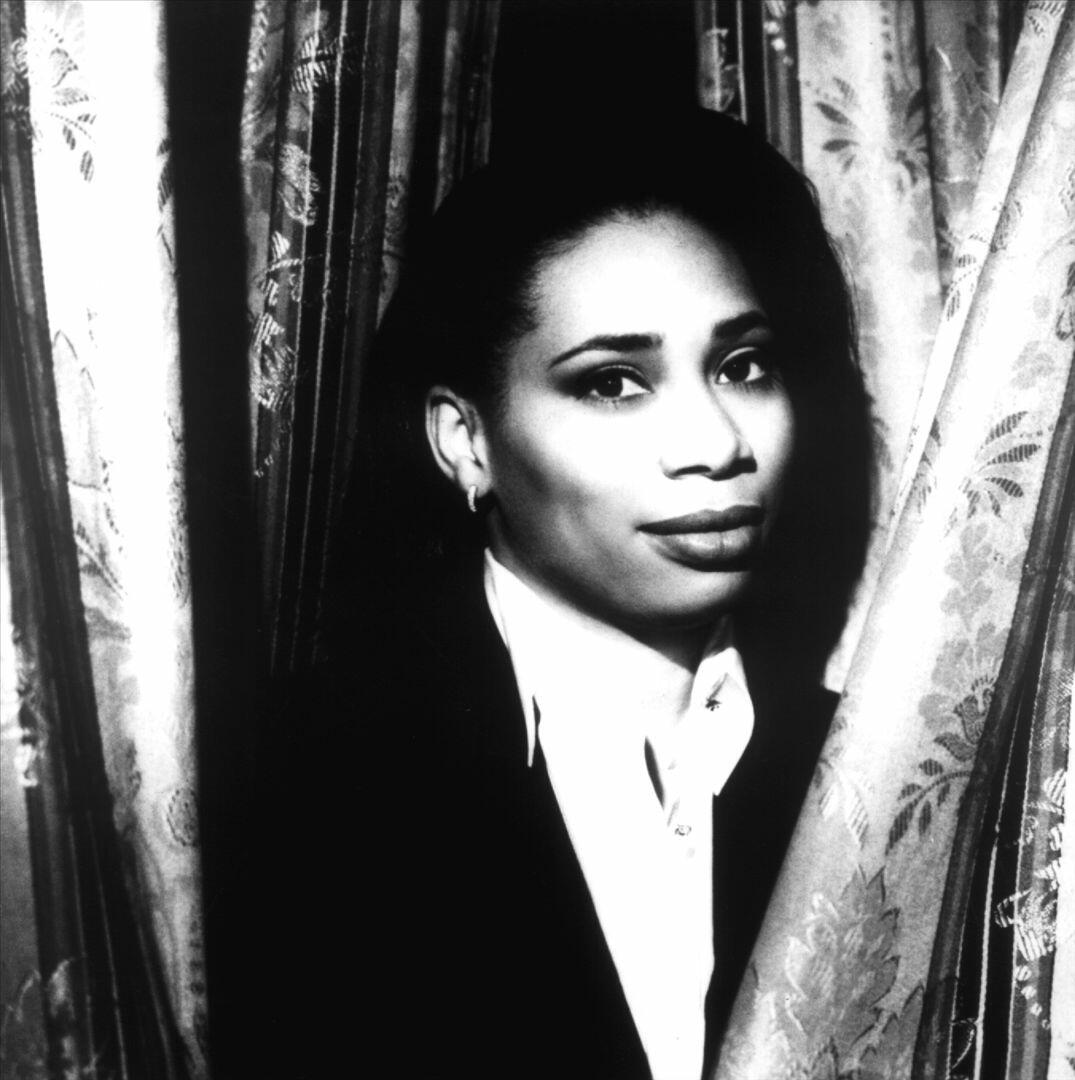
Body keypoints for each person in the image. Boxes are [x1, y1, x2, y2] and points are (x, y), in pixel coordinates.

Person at [256, 108, 870, 1079]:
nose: (716, 445)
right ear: (466, 442)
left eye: (741, 366)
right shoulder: (292, 793)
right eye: (613, 383)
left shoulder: (878, 777)